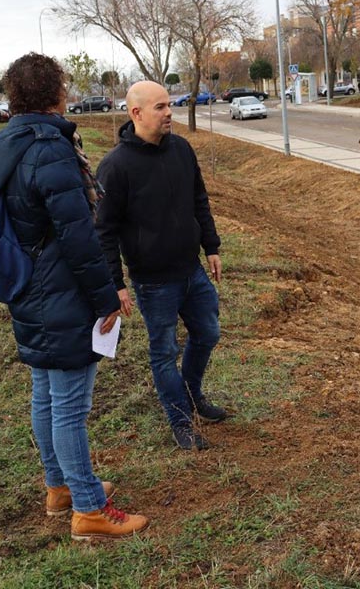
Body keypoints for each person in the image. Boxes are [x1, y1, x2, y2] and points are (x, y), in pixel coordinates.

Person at [0, 53, 147, 541]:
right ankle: (88, 510)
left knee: (46, 393)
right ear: (58, 92)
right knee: (69, 404)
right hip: (61, 289)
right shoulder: (48, 148)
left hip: (29, 285)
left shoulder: (11, 144)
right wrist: (107, 295)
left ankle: (60, 487)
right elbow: (78, 236)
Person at [95, 80, 227, 451]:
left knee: (208, 333)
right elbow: (104, 230)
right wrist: (115, 283)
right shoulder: (115, 167)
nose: (169, 112)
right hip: (154, 283)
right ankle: (181, 422)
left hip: (191, 270)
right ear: (136, 113)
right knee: (163, 352)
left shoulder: (182, 150)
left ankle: (191, 393)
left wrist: (211, 247)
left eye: (169, 105)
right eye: (160, 107)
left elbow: (199, 200)